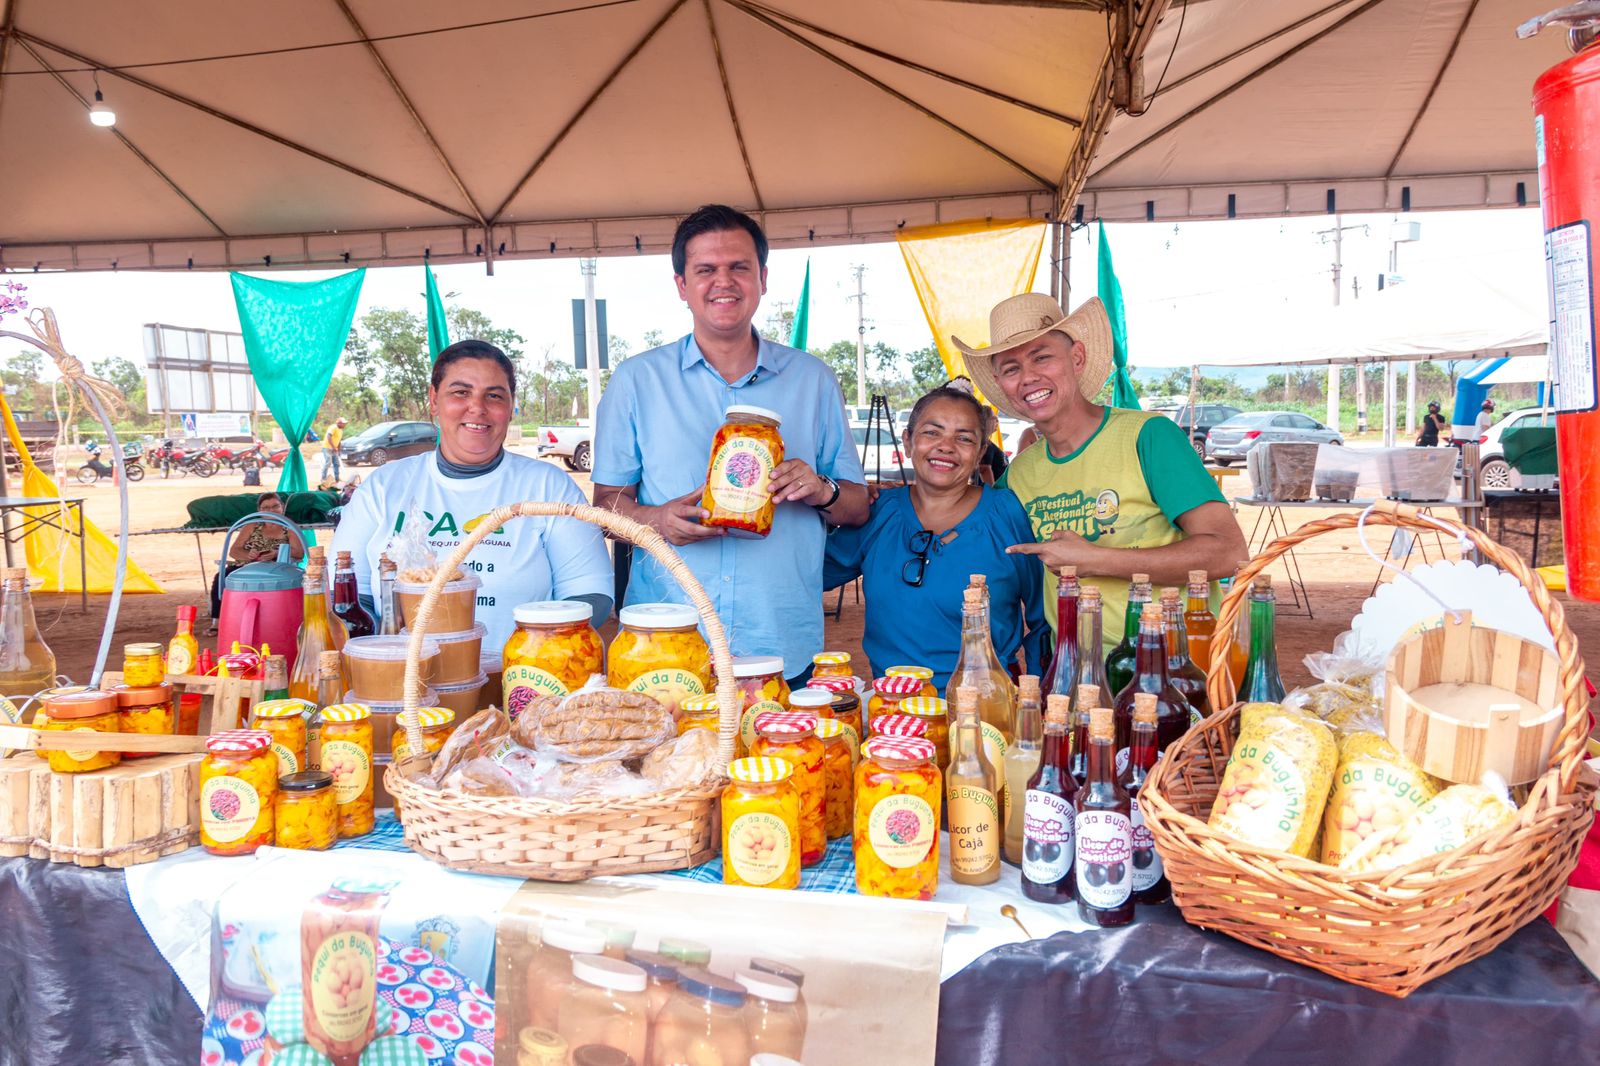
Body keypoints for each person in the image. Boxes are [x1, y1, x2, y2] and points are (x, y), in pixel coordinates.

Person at [593, 205, 869, 684]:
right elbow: (606, 506)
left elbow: (858, 505)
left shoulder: (814, 380)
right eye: (706, 270)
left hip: (780, 640)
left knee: (784, 759)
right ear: (682, 285)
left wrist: (822, 489)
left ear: (762, 278)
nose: (724, 281)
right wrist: (656, 520)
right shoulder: (637, 380)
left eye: (739, 267)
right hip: (666, 643)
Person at [956, 293, 1250, 653]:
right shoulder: (1020, 474)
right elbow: (969, 518)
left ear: (1076, 357)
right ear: (1002, 383)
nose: (1029, 377)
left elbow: (1229, 552)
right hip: (1079, 674)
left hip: (1178, 667)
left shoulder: (1148, 437)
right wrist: (892, 498)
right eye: (1011, 368)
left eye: (1042, 357)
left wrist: (1094, 559)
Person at [333, 340, 613, 648]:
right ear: (434, 400)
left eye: (494, 395)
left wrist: (539, 650)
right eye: (460, 392)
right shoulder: (383, 488)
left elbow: (591, 592)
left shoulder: (550, 488)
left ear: (510, 406)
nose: (477, 408)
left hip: (520, 681)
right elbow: (345, 596)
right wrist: (389, 635)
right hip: (402, 684)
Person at [825, 387, 1045, 688]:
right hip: (895, 716)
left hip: (986, 714)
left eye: (964, 438)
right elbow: (809, 574)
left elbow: (1044, 618)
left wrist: (1041, 696)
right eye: (932, 433)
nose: (947, 446)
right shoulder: (878, 512)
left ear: (981, 452)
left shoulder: (1006, 514)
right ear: (907, 441)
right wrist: (828, 500)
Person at [211, 492, 305, 618]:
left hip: (276, 570)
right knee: (221, 577)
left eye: (275, 506)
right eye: (265, 508)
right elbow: (234, 551)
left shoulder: (289, 527)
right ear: (259, 510)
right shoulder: (252, 525)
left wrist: (276, 553)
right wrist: (249, 555)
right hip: (246, 568)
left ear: (282, 507)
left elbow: (299, 553)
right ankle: (218, 620)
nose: (271, 510)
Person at [320, 417, 347, 486]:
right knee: (328, 462)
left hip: (334, 449)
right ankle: (323, 478)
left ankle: (337, 478)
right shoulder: (333, 427)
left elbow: (339, 441)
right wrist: (333, 447)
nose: (344, 425)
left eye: (344, 423)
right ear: (339, 423)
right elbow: (329, 437)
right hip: (327, 448)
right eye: (343, 423)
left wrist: (339, 450)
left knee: (336, 463)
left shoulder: (341, 430)